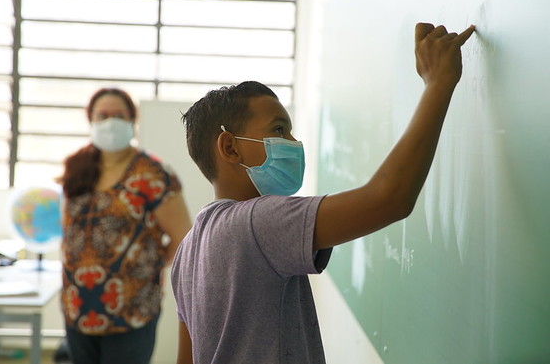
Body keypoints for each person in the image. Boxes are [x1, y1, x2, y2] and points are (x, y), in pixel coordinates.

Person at [170, 22, 476, 363]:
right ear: (230, 147)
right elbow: (389, 198)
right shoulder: (257, 221)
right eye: (278, 129)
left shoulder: (187, 250)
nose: (293, 143)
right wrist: (439, 83)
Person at [56, 87, 192, 364]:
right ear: (90, 120)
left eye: (119, 115)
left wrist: (144, 267)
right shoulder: (76, 167)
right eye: (103, 115)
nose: (110, 122)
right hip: (77, 307)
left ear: (132, 119)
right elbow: (68, 230)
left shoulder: (153, 173)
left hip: (131, 308)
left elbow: (183, 238)